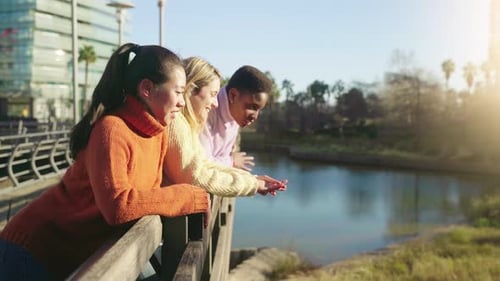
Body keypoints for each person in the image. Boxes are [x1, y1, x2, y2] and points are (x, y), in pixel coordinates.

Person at [0, 44, 209, 280]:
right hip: (31, 249)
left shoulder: (158, 132)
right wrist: (187, 197)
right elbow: (118, 205)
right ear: (147, 89)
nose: (182, 102)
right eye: (178, 92)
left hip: (68, 252)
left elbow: (145, 193)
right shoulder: (111, 129)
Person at [163, 57, 286, 197]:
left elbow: (203, 164)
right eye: (213, 94)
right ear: (190, 89)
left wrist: (253, 180)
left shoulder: (188, 121)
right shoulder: (178, 122)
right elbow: (197, 175)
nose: (216, 103)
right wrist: (251, 182)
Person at [199, 65, 271, 172]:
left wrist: (255, 181)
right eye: (252, 107)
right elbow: (201, 166)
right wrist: (231, 161)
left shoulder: (235, 112)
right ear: (233, 95)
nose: (255, 117)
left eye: (259, 110)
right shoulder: (206, 111)